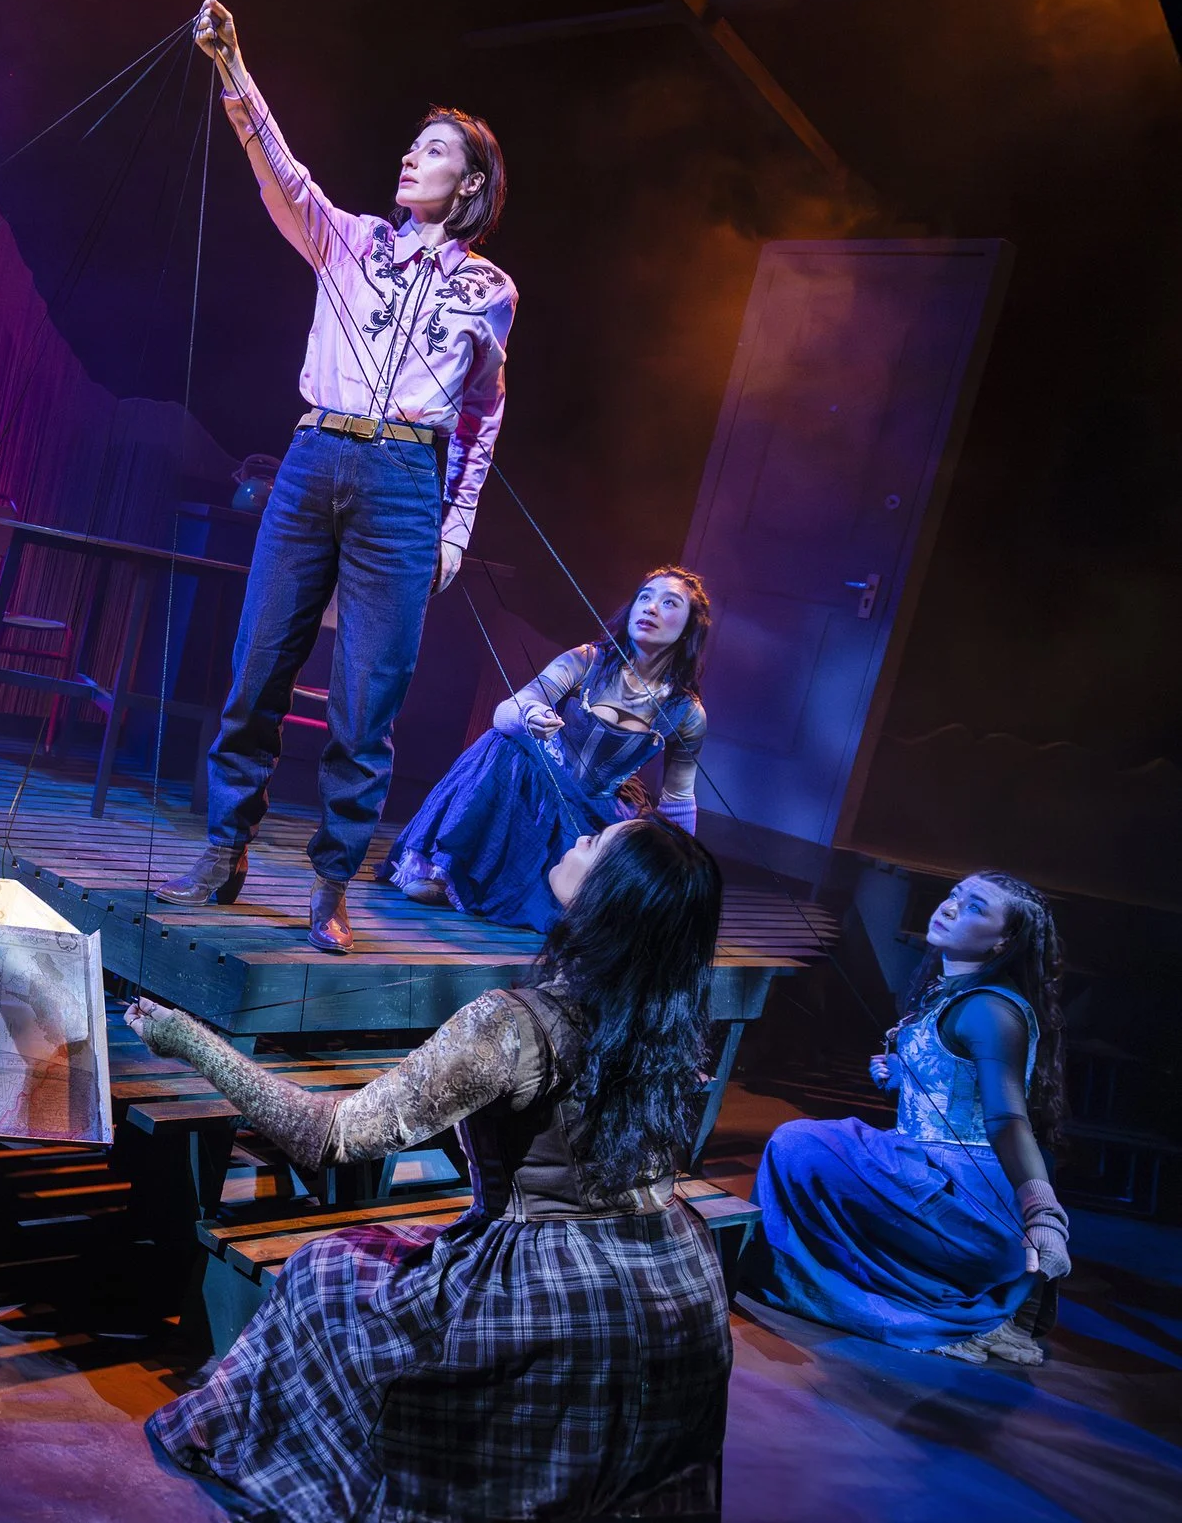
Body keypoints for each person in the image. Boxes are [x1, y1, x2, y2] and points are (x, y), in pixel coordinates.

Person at [132, 818, 730, 1521]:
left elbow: (330, 1135)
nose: (577, 838)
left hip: (553, 1295)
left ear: (610, 897)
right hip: (675, 1280)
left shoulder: (509, 1025)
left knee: (323, 1274)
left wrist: (188, 1040)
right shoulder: (669, 1016)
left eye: (596, 843)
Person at [155, 0, 518, 954]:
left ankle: (330, 884)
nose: (412, 156)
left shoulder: (488, 290)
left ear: (471, 181)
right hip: (314, 456)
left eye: (435, 150)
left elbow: (483, 415)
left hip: (404, 479)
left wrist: (456, 525)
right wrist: (232, 63)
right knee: (259, 661)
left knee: (370, 696)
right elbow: (279, 167)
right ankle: (225, 845)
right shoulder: (346, 237)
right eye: (412, 144)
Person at [748, 871, 1073, 1365]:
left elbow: (1007, 1118)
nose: (948, 907)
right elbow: (956, 1079)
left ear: (1004, 939)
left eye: (974, 908)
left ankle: (944, 1304)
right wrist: (905, 1073)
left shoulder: (990, 1009)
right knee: (807, 1146)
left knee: (796, 1144)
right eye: (953, 896)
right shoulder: (955, 988)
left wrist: (1043, 1215)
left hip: (961, 1194)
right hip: (923, 1162)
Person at [391, 567, 711, 929]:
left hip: (593, 816)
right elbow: (507, 710)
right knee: (502, 743)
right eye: (645, 597)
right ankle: (450, 874)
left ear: (688, 628)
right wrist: (531, 714)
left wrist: (683, 879)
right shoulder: (588, 661)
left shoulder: (686, 712)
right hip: (542, 791)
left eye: (669, 603)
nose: (651, 608)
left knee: (600, 906)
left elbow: (679, 799)